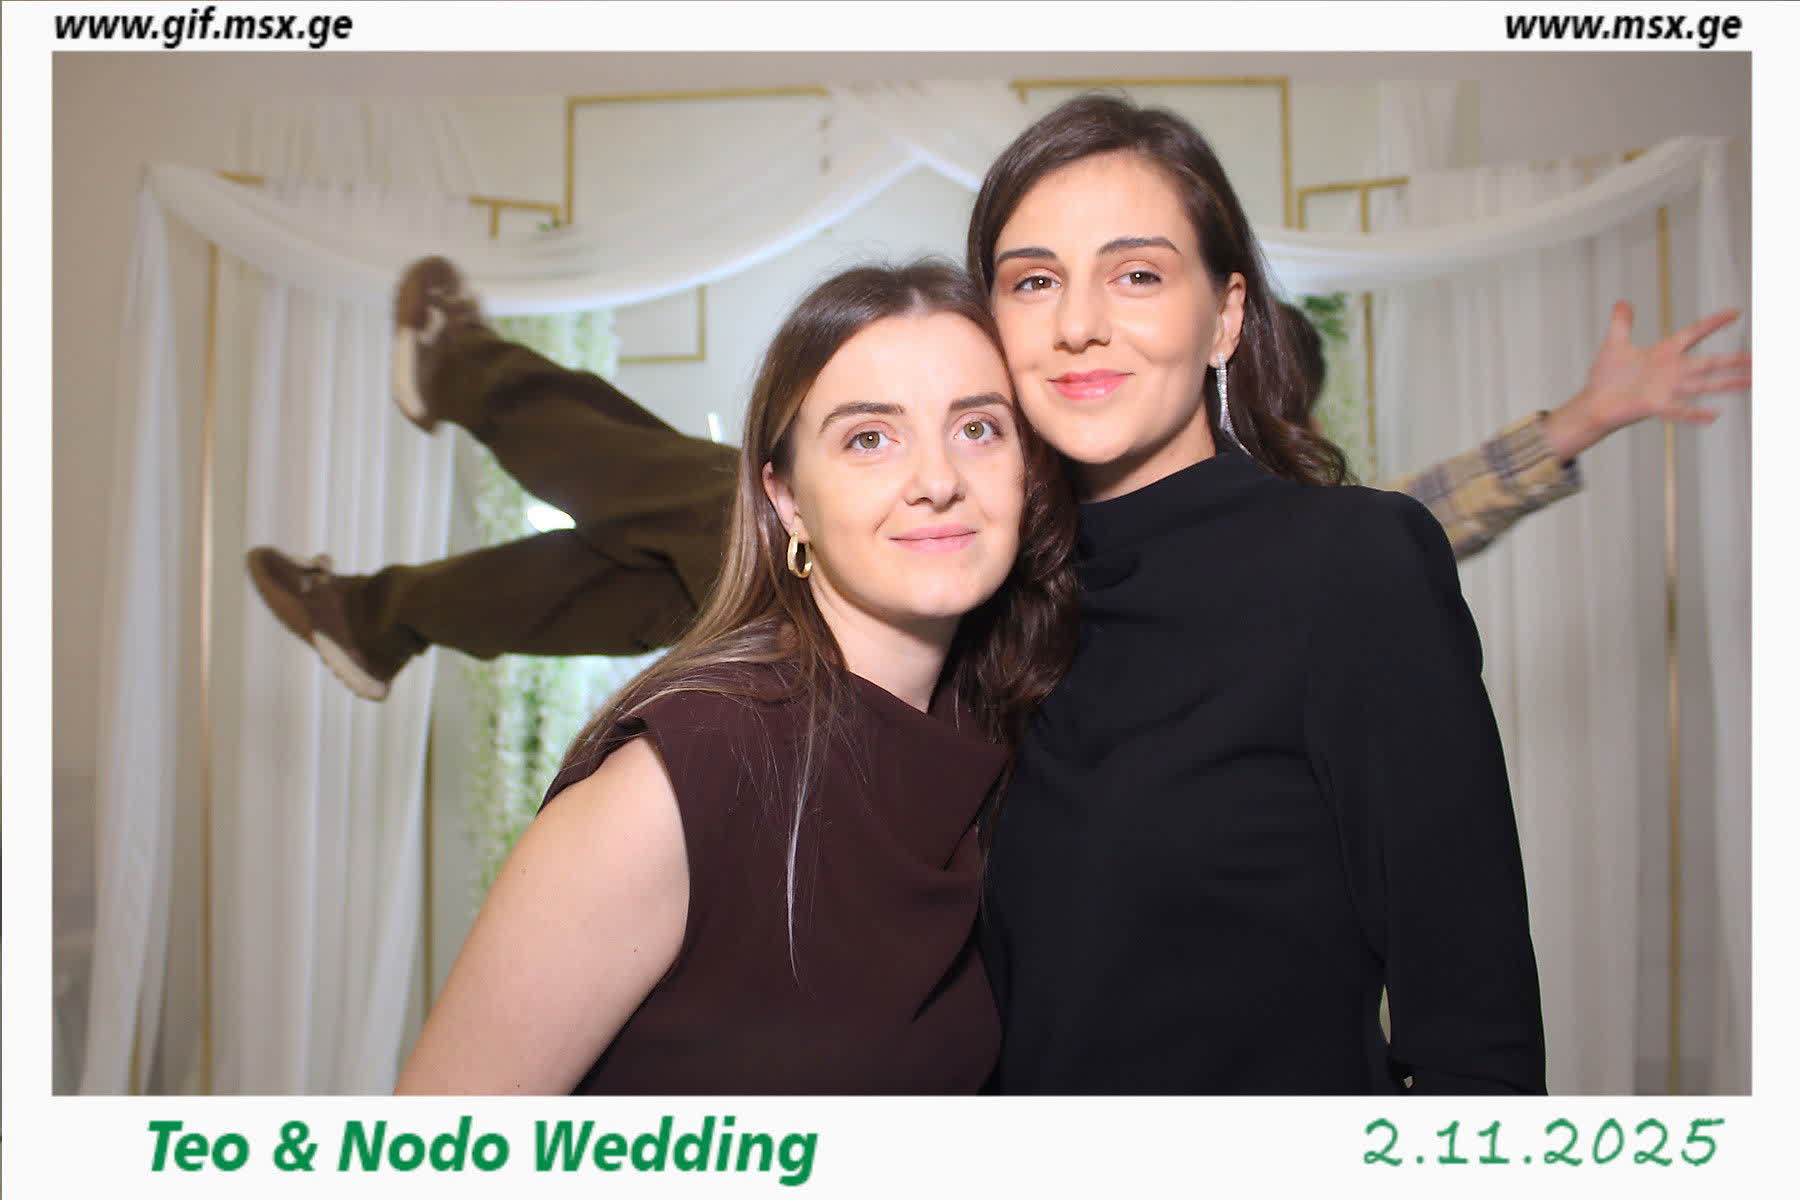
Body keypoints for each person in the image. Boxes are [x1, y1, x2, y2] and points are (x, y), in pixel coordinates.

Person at [246, 245, 1744, 704]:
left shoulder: (1243, 552)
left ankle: (465, 384)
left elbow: (1399, 529)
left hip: (918, 688)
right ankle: (385, 616)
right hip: (854, 632)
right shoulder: (1044, 475)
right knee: (661, 562)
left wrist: (1575, 426)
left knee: (705, 506)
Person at [395, 259, 1078, 1094]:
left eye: (977, 429)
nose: (938, 481)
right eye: (869, 438)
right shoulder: (681, 783)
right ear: (786, 501)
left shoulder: (993, 746)